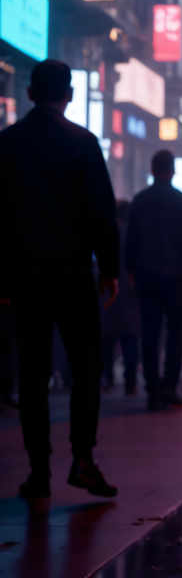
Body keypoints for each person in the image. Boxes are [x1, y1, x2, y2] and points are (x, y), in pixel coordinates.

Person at [0, 59, 119, 502]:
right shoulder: (83, 144)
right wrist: (109, 269)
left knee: (32, 374)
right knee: (85, 369)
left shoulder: (8, 144)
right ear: (68, 95)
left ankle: (38, 470)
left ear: (30, 93)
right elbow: (102, 215)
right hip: (73, 275)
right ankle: (83, 460)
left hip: (26, 276)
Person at [126, 149, 182, 410]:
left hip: (147, 276)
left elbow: (131, 242)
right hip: (177, 278)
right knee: (176, 334)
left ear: (152, 169)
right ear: (173, 170)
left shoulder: (139, 201)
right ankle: (170, 386)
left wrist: (131, 271)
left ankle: (152, 389)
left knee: (149, 333)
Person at [101, 200, 140, 395]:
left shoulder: (106, 232)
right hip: (131, 293)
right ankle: (130, 381)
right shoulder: (136, 234)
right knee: (130, 338)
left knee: (108, 338)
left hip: (109, 291)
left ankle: (107, 377)